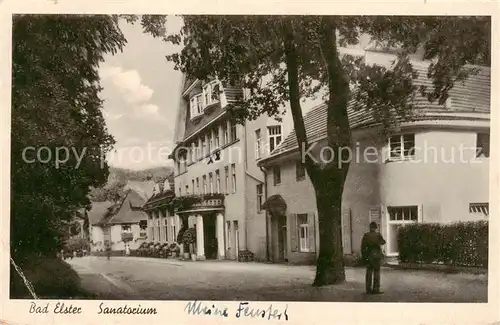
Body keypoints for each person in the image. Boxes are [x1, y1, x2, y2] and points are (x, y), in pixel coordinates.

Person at [361, 221, 386, 294]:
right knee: (377, 272)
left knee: (368, 273)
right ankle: (376, 289)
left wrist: (364, 256)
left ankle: (368, 289)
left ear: (370, 227)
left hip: (368, 256)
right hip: (376, 256)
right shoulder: (378, 235)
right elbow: (383, 242)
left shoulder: (366, 235)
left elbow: (362, 247)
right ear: (375, 228)